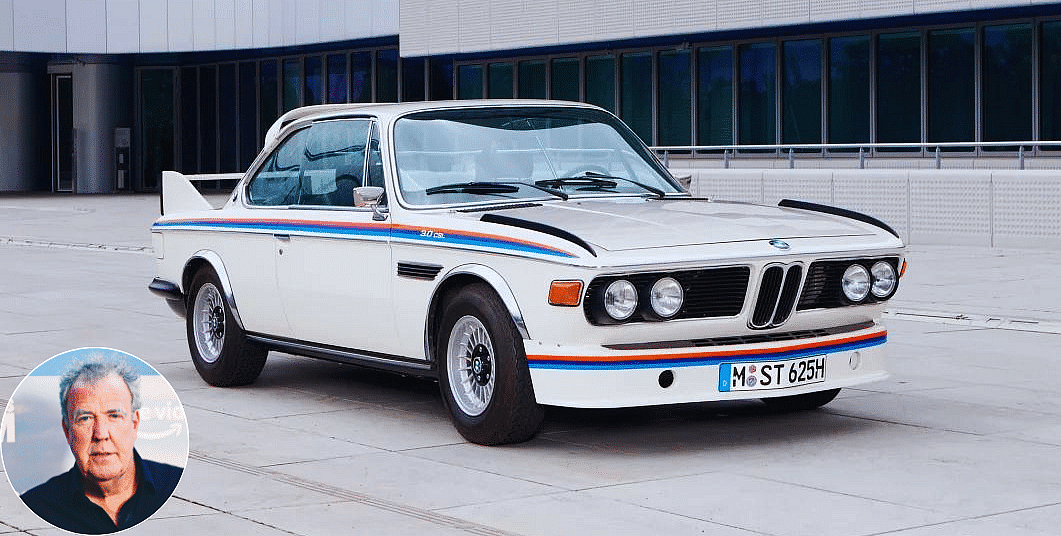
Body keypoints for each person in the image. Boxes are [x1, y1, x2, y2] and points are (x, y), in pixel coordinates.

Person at [19, 356, 183, 534]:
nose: (101, 434)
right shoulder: (36, 506)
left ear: (134, 424)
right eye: (85, 418)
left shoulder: (175, 487)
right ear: (67, 431)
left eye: (114, 416)